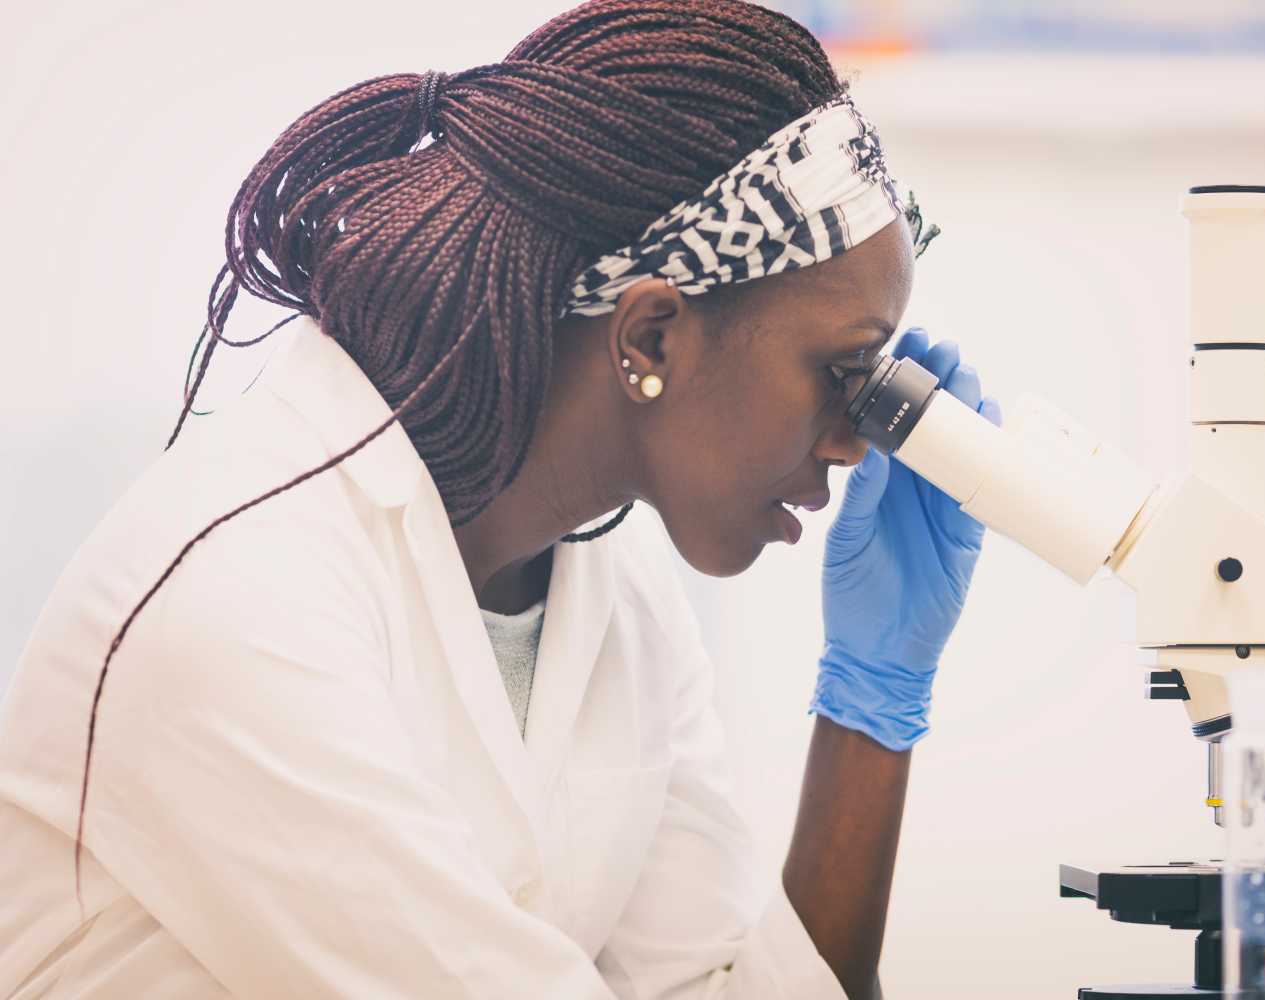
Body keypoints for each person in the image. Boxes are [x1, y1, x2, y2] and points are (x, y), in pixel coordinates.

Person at [0, 2, 998, 997]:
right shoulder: (243, 596)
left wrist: (873, 704)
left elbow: (723, 984)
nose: (853, 438)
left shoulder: (615, 598)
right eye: (842, 371)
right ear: (650, 339)